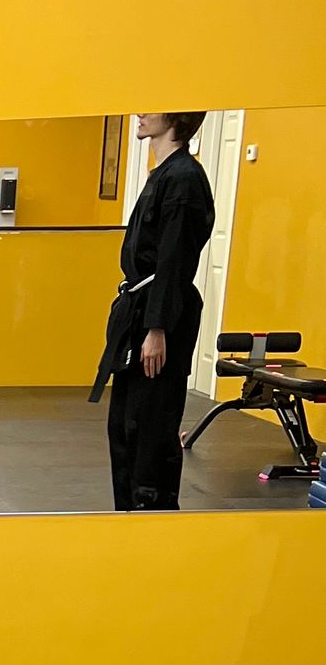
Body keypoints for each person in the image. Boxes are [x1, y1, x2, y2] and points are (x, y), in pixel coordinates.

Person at [92, 111, 216, 510]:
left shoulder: (183, 180)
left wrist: (157, 327)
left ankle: (153, 517)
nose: (141, 113)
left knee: (150, 428)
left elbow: (175, 259)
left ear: (176, 117)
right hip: (141, 310)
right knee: (126, 427)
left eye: (155, 105)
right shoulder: (164, 174)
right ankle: (129, 514)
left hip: (160, 319)